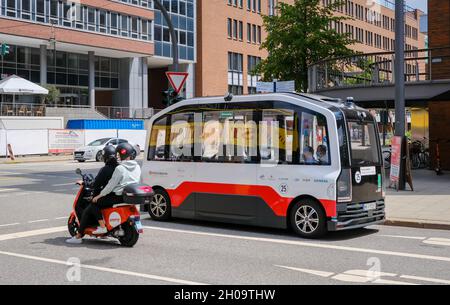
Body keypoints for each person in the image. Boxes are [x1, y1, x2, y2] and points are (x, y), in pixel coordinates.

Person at [66, 143, 141, 244]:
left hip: (117, 195)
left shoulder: (119, 169)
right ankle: (104, 233)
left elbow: (109, 186)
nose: (117, 156)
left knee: (93, 204)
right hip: (127, 196)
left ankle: (86, 233)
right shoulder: (137, 167)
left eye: (118, 154)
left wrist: (98, 196)